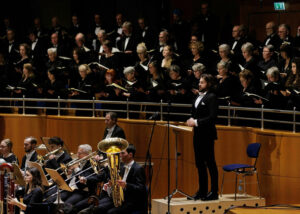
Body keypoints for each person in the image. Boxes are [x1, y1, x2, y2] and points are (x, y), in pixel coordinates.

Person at [79, 144, 147, 214]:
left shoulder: (138, 169)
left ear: (130, 155)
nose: (120, 155)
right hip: (119, 198)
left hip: (130, 201)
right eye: (120, 153)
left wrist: (126, 185)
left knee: (110, 212)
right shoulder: (122, 166)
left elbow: (141, 189)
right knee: (97, 207)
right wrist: (112, 184)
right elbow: (118, 183)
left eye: (122, 153)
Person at [186, 73, 219, 201]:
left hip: (208, 135)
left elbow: (213, 117)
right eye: (199, 82)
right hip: (197, 135)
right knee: (199, 164)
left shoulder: (212, 97)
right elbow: (194, 113)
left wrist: (197, 122)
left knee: (210, 163)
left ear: (209, 84)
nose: (199, 84)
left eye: (202, 82)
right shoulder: (197, 97)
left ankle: (214, 191)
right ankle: (202, 191)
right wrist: (191, 119)